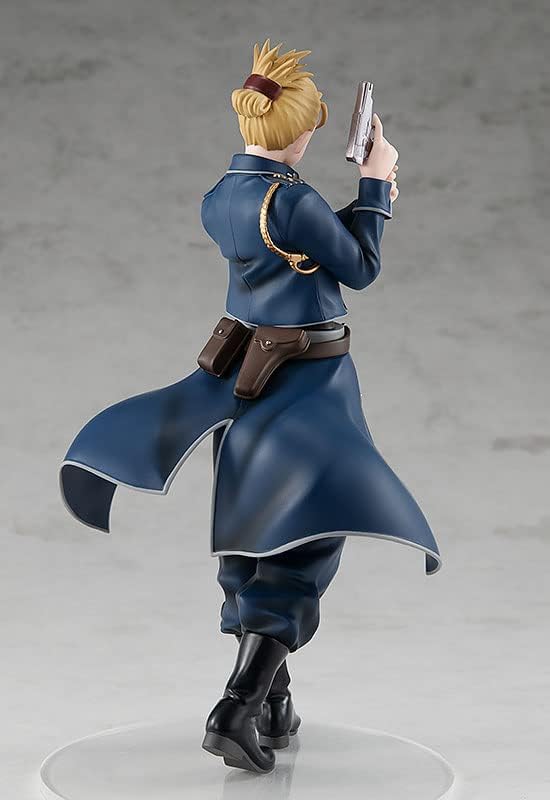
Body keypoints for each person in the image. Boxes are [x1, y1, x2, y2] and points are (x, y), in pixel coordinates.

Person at [59, 38, 441, 774]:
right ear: (300, 131)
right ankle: (236, 706)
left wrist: (355, 205)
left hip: (242, 381)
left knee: (250, 536)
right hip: (309, 387)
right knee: (309, 539)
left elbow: (297, 251)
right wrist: (374, 185)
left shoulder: (222, 197)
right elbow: (359, 265)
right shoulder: (292, 200)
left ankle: (273, 702)